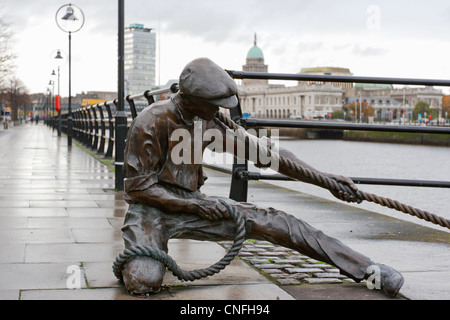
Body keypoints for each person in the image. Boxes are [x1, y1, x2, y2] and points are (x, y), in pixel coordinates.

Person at [120, 57, 404, 297]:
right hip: (151, 211)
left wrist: (326, 180)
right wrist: (197, 206)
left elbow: (272, 156)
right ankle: (143, 253)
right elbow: (137, 191)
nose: (220, 110)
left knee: (280, 222)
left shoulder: (209, 121)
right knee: (145, 280)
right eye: (214, 103)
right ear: (192, 99)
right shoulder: (151, 121)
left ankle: (367, 269)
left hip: (194, 204)